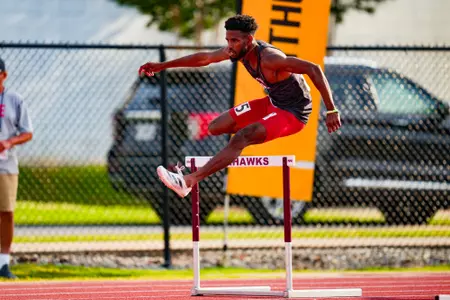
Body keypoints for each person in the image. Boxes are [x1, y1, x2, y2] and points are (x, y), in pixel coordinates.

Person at [138, 14, 341, 198]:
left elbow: (313, 69)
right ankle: (239, 144)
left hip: (293, 113)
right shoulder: (237, 51)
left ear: (249, 40)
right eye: (227, 40)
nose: (230, 46)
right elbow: (205, 58)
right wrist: (162, 66)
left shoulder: (271, 59)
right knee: (216, 126)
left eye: (234, 41)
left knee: (242, 136)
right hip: (272, 103)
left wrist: (331, 109)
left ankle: (188, 181)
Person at [0, 58, 33, 279]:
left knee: (6, 212)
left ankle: (3, 263)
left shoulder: (14, 100)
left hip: (6, 164)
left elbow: (27, 132)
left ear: (4, 75)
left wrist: (9, 142)